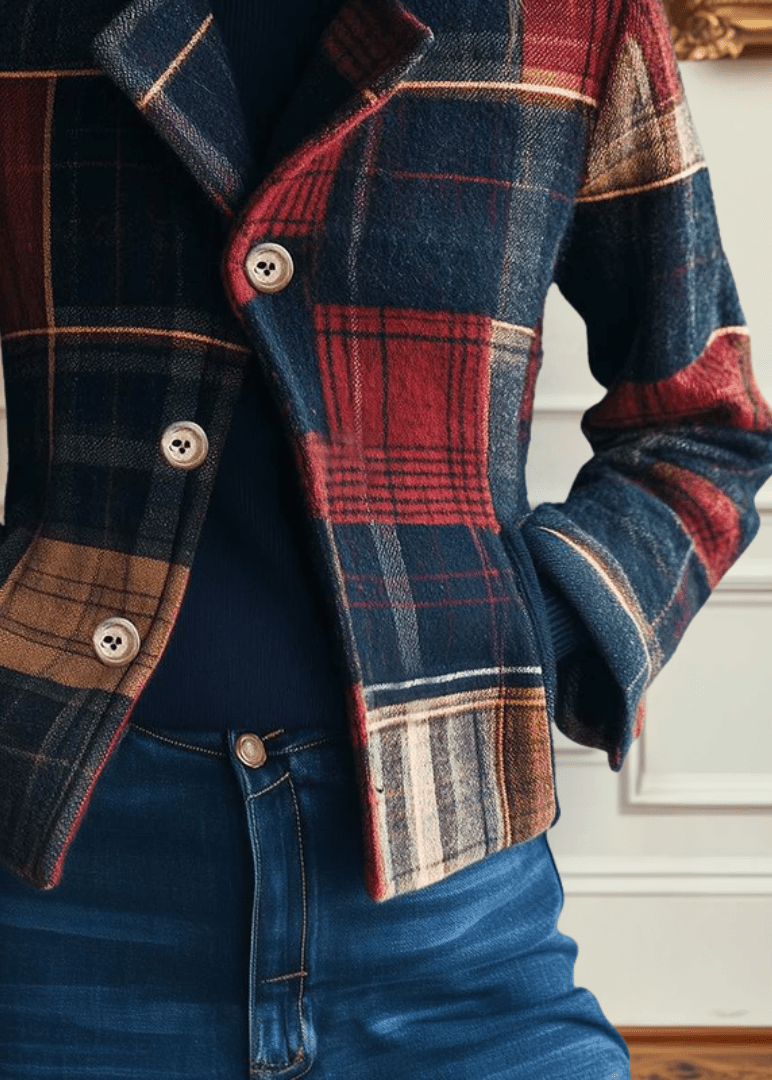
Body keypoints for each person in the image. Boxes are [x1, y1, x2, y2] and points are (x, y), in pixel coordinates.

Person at [1, 0, 770, 1077]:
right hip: (61, 876)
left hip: (453, 899)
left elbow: (700, 421)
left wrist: (534, 625)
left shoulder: (575, 16)